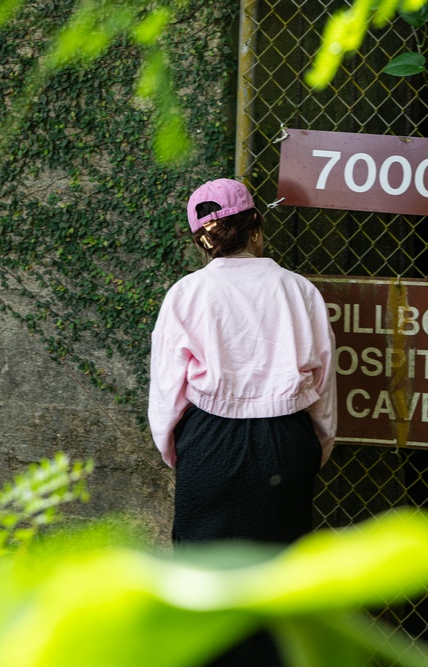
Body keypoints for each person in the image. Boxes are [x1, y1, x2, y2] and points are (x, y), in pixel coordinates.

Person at [148, 178, 337, 665]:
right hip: (287, 440)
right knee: (280, 577)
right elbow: (324, 387)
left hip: (208, 443)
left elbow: (167, 395)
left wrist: (181, 455)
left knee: (202, 580)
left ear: (201, 239)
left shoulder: (185, 295)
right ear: (256, 223)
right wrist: (316, 447)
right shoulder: (301, 292)